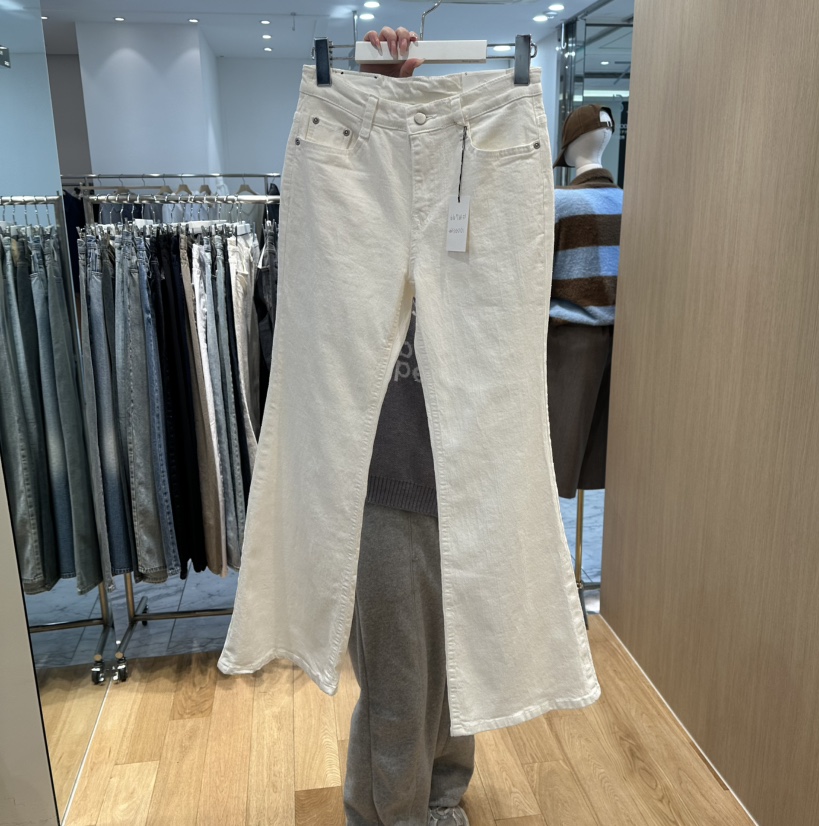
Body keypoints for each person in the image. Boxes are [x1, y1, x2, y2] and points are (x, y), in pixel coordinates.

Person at [344, 25, 474, 826]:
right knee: (399, 681)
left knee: (462, 672)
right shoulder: (348, 202)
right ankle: (388, 815)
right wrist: (371, 97)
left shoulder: (475, 186)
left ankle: (442, 797)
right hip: (379, 478)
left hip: (466, 470)